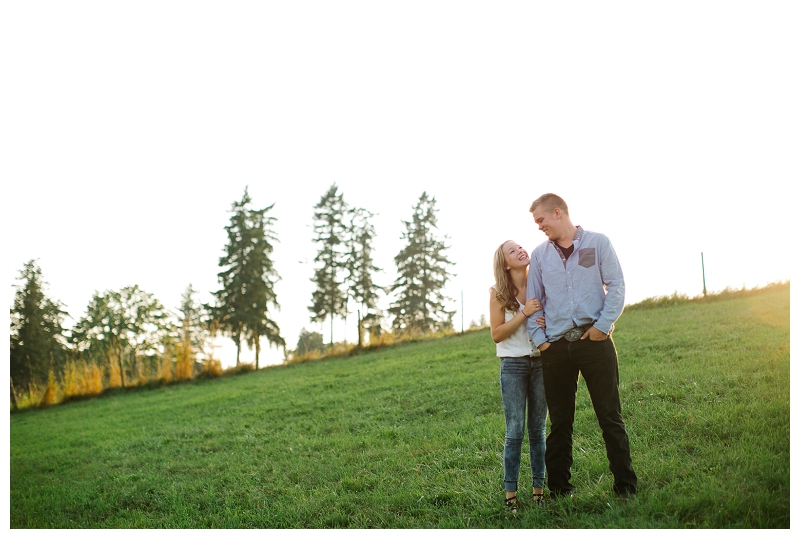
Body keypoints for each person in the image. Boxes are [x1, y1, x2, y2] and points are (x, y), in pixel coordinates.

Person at [525, 193, 637, 500]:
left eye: (541, 220)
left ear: (557, 213)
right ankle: (560, 491)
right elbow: (533, 303)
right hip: (556, 349)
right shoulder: (539, 256)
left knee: (609, 416)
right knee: (560, 422)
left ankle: (625, 488)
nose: (539, 227)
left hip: (595, 342)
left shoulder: (598, 243)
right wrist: (542, 343)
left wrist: (602, 326)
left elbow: (616, 285)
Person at [489, 239, 548, 513]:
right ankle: (510, 496)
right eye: (512, 251)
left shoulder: (539, 283)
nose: (520, 251)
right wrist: (525, 312)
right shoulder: (498, 293)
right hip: (512, 365)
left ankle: (539, 491)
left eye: (520, 247)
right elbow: (497, 334)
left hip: (541, 363)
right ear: (505, 263)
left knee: (538, 431)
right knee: (515, 432)